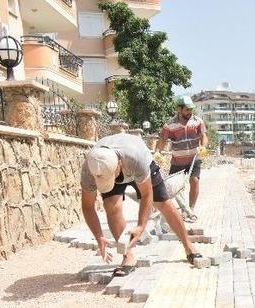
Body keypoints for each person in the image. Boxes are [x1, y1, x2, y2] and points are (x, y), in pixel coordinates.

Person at [81, 133, 201, 276]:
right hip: (111, 165)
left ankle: (188, 246)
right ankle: (128, 256)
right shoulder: (91, 168)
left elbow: (146, 195)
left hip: (140, 163)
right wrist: (99, 236)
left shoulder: (135, 158)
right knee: (111, 206)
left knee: (164, 203)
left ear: (119, 164)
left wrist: (140, 226)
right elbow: (88, 207)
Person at [156, 95, 208, 220]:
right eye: (187, 110)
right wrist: (157, 152)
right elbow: (162, 140)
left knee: (194, 180)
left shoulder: (198, 121)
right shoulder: (169, 125)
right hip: (177, 161)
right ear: (179, 109)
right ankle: (183, 210)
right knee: (175, 188)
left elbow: (203, 136)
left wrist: (204, 146)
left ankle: (191, 209)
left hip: (194, 158)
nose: (189, 112)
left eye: (191, 109)